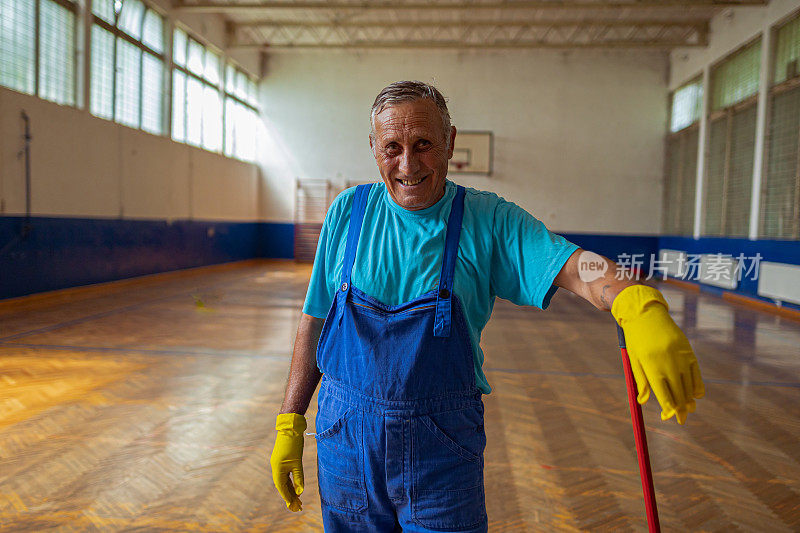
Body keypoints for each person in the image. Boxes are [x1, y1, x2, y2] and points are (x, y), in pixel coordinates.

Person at [270, 80, 704, 532]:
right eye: (391, 148)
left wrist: (635, 301)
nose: (407, 164)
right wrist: (289, 421)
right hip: (345, 448)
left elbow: (578, 268)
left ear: (451, 142)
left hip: (439, 454)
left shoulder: (489, 221)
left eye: (423, 145)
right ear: (374, 148)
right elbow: (316, 320)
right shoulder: (348, 212)